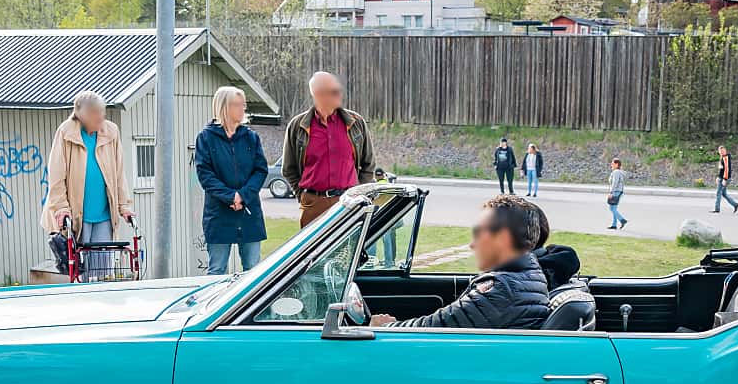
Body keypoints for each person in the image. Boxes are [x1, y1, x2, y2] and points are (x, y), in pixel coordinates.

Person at [370, 196, 549, 329]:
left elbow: (435, 328)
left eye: (479, 233)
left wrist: (384, 328)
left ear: (502, 239)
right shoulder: (527, 275)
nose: (472, 244)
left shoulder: (500, 289)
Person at [41, 90, 135, 272]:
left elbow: (119, 174)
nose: (102, 117)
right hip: (77, 214)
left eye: (102, 112)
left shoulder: (111, 132)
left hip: (104, 214)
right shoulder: (66, 133)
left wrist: (124, 206)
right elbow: (56, 176)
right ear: (84, 115)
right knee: (79, 269)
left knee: (102, 270)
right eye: (97, 113)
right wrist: (61, 207)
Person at [282, 71, 375, 228]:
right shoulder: (297, 126)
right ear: (318, 94)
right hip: (313, 206)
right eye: (333, 91)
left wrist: (358, 193)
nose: (339, 94)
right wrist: (304, 196)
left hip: (349, 203)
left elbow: (368, 165)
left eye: (338, 90)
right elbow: (289, 169)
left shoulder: (356, 123)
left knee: (349, 252)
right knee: (313, 252)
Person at [195, 85, 268, 276]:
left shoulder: (251, 137)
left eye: (243, 105)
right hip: (219, 213)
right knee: (217, 269)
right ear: (224, 107)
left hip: (249, 211)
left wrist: (242, 196)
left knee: (252, 270)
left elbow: (260, 170)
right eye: (237, 105)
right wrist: (230, 197)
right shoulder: (206, 138)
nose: (242, 109)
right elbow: (205, 174)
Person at [711, 145, 738, 213]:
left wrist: (724, 179)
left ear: (725, 151)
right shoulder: (722, 157)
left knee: (718, 193)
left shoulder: (725, 158)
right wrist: (718, 177)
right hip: (721, 178)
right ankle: (735, 204)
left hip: (724, 178)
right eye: (720, 151)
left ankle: (717, 209)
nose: (721, 152)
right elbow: (721, 170)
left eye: (722, 151)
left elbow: (727, 169)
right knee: (724, 194)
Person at [606, 157, 628, 229]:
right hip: (619, 191)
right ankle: (614, 225)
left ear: (616, 164)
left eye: (612, 163)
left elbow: (615, 183)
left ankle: (622, 220)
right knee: (614, 208)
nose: (611, 165)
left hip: (616, 191)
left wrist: (611, 192)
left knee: (612, 208)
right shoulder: (618, 172)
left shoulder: (616, 172)